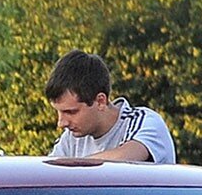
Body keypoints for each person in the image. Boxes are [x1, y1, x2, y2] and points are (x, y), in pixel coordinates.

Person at [45, 50, 176, 164]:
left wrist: (72, 168)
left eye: (71, 112)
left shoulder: (145, 122)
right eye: (59, 112)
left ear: (100, 101)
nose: (61, 123)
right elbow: (49, 175)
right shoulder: (71, 138)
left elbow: (128, 157)